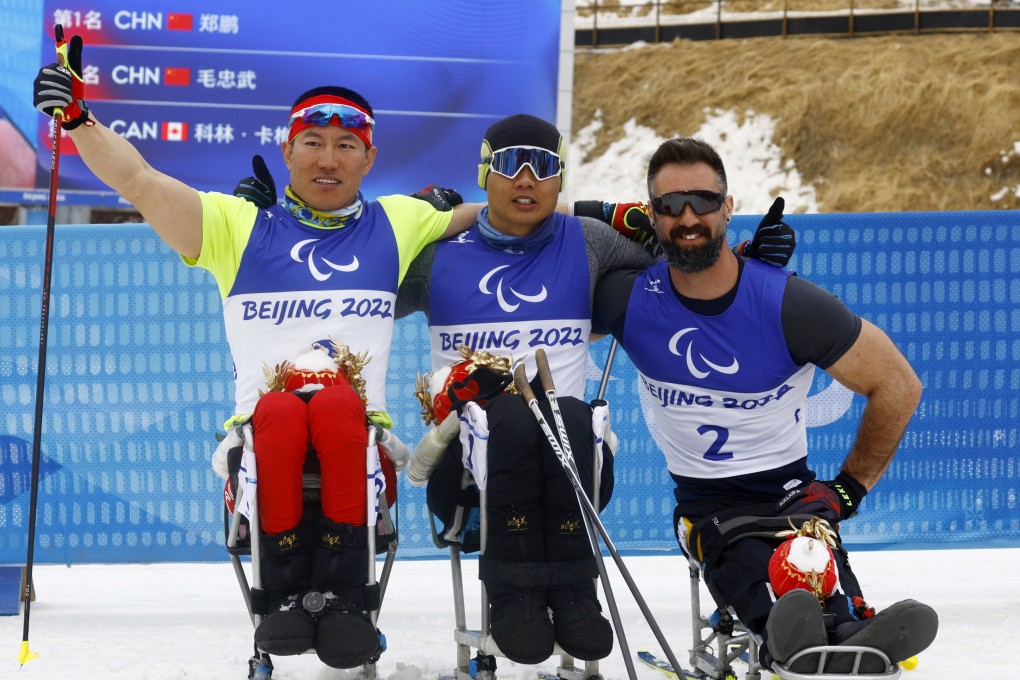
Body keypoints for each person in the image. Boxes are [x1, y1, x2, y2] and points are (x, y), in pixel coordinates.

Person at [32, 36, 478, 670]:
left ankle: (346, 596)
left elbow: (508, 215)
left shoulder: (400, 220)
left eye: (346, 145)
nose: (329, 158)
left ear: (369, 156)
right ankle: (287, 593)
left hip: (357, 429)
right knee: (284, 413)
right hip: (263, 431)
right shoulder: (237, 225)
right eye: (313, 143)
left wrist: (624, 217)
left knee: (335, 406)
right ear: (287, 149)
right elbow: (139, 179)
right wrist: (78, 120)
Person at [393, 114, 796, 666]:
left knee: (567, 416)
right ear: (484, 174)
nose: (527, 178)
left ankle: (576, 594)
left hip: (573, 460)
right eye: (511, 164)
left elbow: (689, 273)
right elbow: (347, 296)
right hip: (467, 476)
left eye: (545, 165)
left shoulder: (589, 242)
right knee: (514, 416)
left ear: (561, 180)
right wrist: (411, 215)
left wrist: (750, 266)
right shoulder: (437, 254)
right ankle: (514, 598)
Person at [591, 137, 939, 672]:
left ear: (728, 208)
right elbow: (546, 244)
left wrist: (849, 489)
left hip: (791, 489)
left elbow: (898, 384)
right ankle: (790, 639)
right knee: (747, 550)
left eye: (704, 201)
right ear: (652, 216)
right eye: (670, 205)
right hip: (707, 504)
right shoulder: (629, 296)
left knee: (809, 545)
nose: (689, 217)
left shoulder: (787, 303)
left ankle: (844, 629)